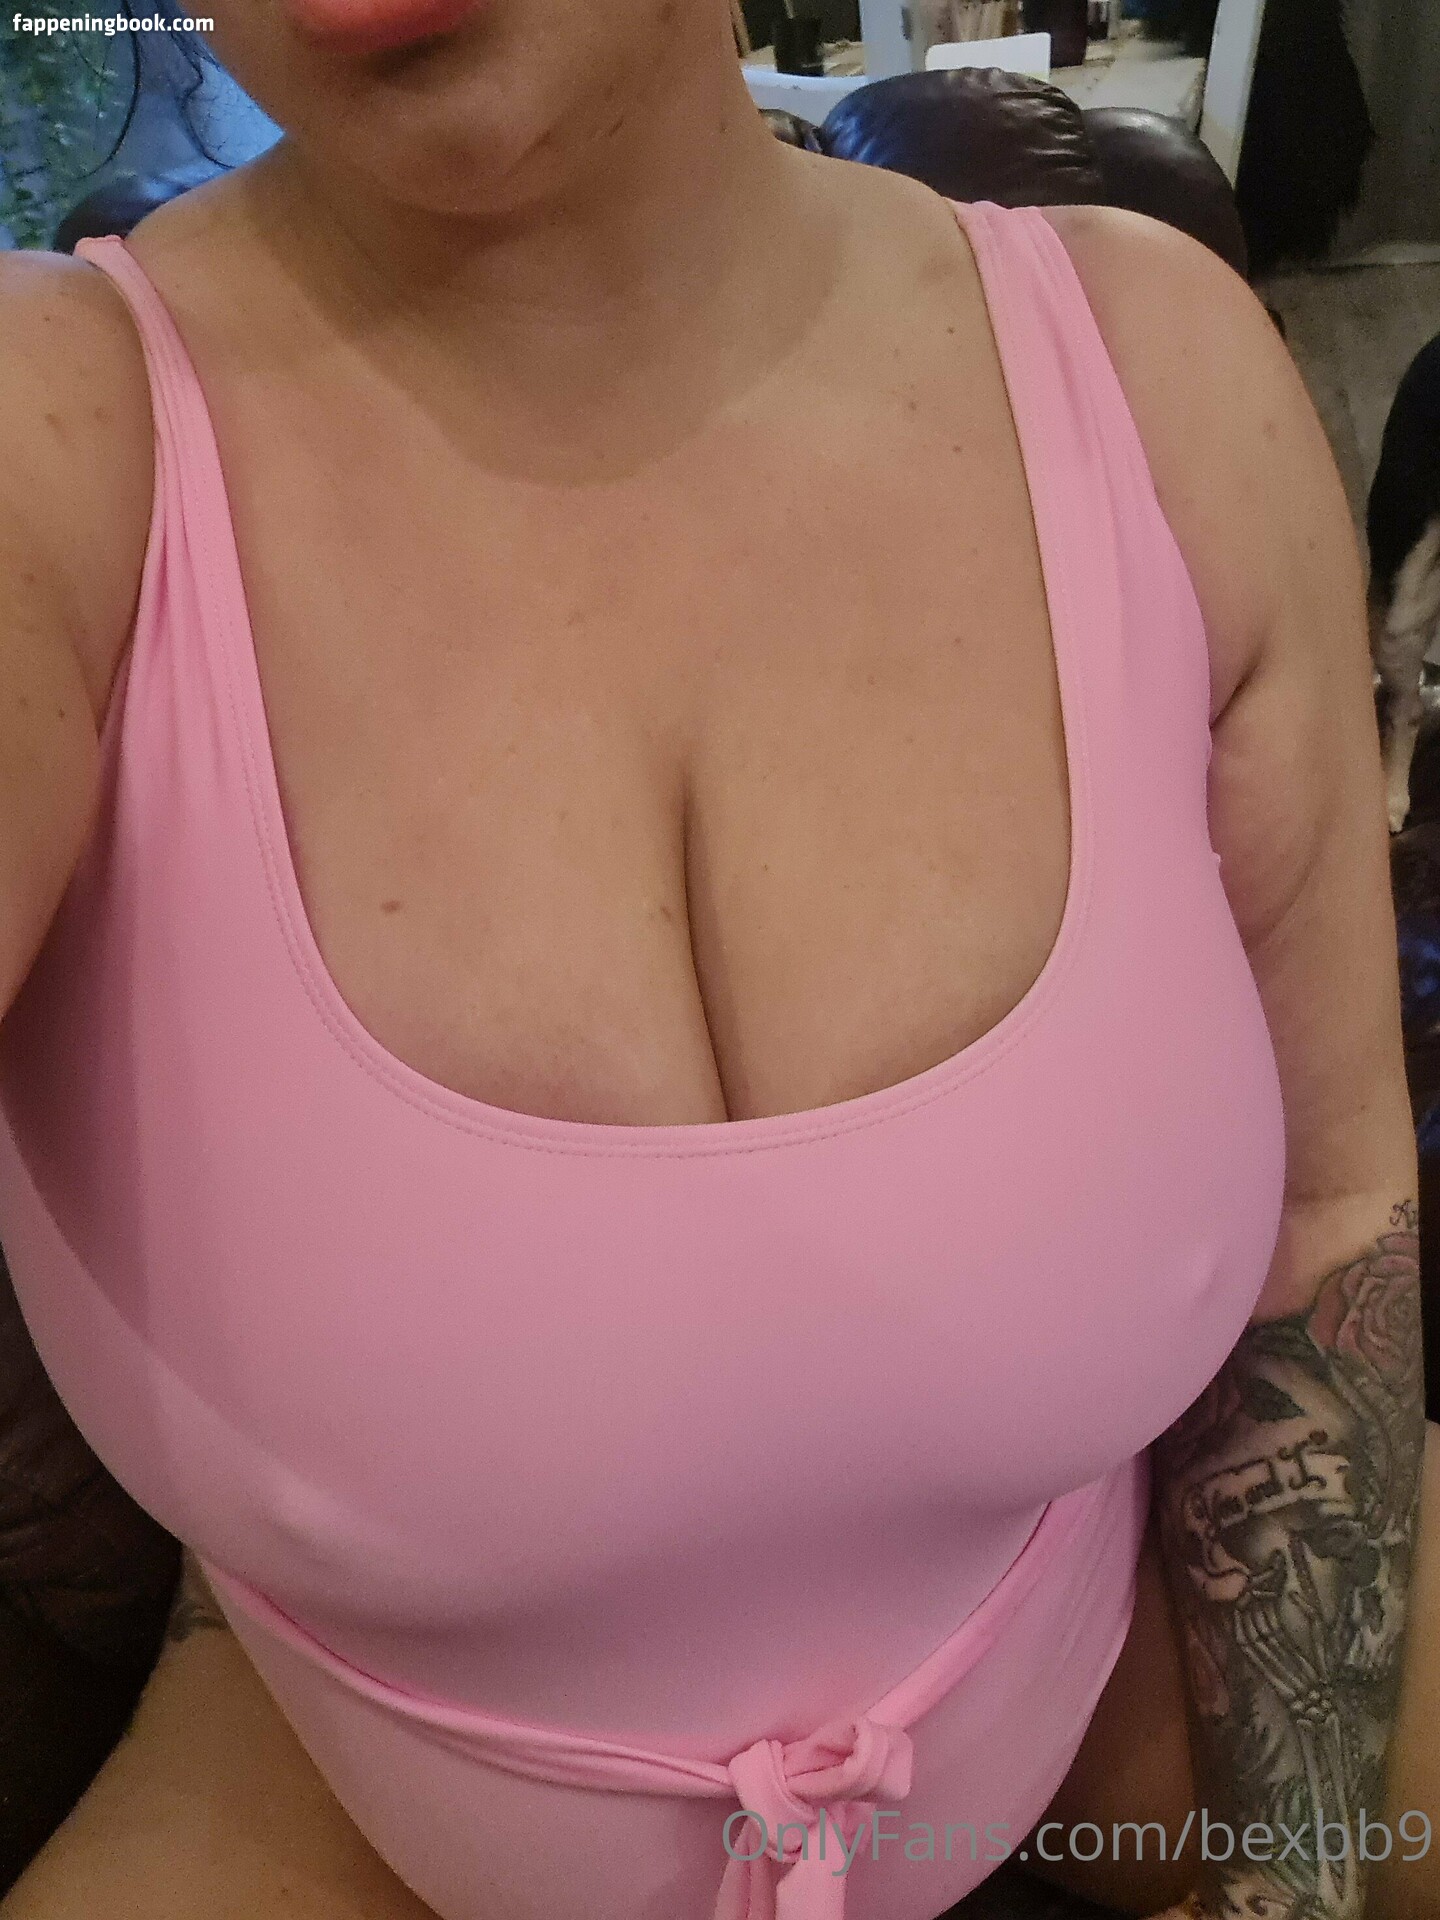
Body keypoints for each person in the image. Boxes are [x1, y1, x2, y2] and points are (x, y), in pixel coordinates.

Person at [0, 1, 1435, 1916]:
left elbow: (1329, 1207)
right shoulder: (53, 451)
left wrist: (1298, 1879)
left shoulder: (1157, 370)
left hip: (1093, 1660)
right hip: (365, 1782)